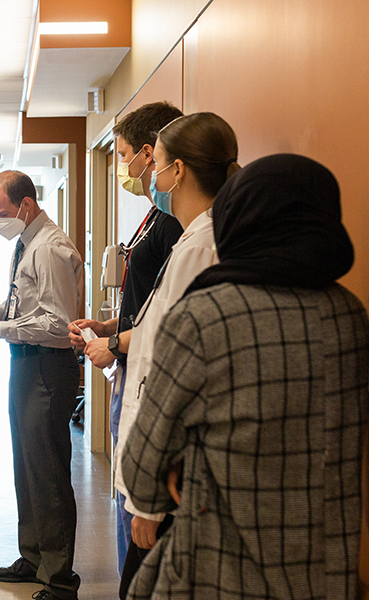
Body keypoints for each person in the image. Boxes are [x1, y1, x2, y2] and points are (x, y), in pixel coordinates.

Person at [121, 154, 367, 599]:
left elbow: (142, 467)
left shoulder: (204, 316)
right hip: (329, 574)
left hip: (221, 574)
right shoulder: (350, 318)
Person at [107, 112, 239, 597]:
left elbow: (175, 373)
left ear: (177, 170)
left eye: (154, 163)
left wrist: (150, 497)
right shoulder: (191, 238)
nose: (148, 174)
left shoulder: (201, 246)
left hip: (166, 470)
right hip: (156, 456)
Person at [67, 101, 184, 573]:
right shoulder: (152, 217)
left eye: (123, 155)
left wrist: (112, 346)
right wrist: (109, 326)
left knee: (136, 502)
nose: (124, 168)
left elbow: (168, 321)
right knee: (123, 490)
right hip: (129, 366)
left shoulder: (177, 224)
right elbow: (146, 303)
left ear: (150, 154)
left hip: (147, 374)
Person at [0, 170, 84, 600]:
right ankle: (33, 556)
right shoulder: (27, 242)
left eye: (3, 212)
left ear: (26, 205)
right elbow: (32, 304)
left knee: (48, 470)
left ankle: (59, 577)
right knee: (27, 465)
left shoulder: (50, 247)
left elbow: (57, 322)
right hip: (25, 364)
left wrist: (0, 330)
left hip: (47, 367)